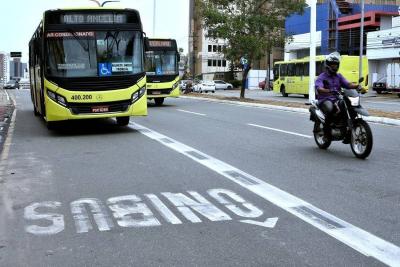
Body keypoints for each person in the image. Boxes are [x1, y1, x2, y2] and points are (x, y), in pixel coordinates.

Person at [314, 52, 360, 140]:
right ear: (327, 65)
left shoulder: (339, 76)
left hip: (336, 98)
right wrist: (328, 90)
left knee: (347, 105)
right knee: (330, 109)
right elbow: (319, 88)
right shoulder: (322, 77)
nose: (334, 67)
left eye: (336, 65)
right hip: (325, 99)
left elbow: (348, 84)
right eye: (332, 65)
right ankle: (327, 134)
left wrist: (357, 86)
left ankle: (346, 128)